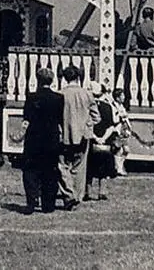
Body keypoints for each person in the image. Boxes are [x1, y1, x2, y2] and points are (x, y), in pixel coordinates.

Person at [21, 67, 64, 214]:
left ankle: (31, 201)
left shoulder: (31, 97)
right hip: (51, 138)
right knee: (50, 171)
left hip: (34, 137)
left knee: (31, 170)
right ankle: (48, 204)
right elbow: (60, 120)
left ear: (38, 79)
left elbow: (26, 119)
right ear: (52, 81)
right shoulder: (58, 98)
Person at [57, 65, 97, 209]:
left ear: (65, 78)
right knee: (79, 167)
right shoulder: (87, 94)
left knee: (62, 165)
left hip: (64, 134)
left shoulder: (60, 94)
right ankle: (77, 196)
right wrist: (86, 124)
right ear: (78, 77)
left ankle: (69, 194)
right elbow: (96, 117)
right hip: (83, 134)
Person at [110, 89, 132, 176]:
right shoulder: (114, 106)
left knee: (126, 150)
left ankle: (119, 166)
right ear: (117, 97)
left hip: (124, 131)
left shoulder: (121, 106)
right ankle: (118, 168)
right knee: (118, 150)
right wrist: (121, 116)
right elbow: (115, 118)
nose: (124, 98)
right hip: (118, 130)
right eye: (122, 96)